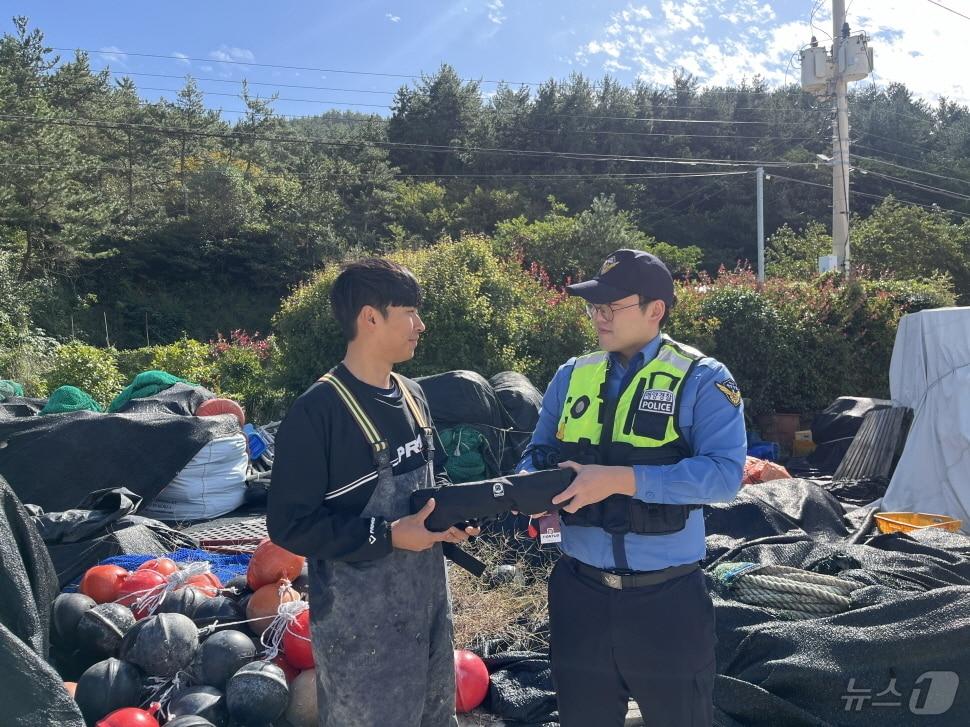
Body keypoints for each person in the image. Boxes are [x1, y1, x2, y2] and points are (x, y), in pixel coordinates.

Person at [518, 249, 746, 727]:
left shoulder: (703, 378)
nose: (598, 317)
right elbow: (536, 453)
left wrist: (621, 480)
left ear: (655, 309)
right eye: (593, 307)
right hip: (579, 592)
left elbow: (725, 475)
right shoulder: (570, 375)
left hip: (667, 601)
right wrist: (533, 494)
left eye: (611, 307)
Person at [267, 258, 477, 727]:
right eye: (410, 312)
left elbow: (433, 476)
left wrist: (452, 511)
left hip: (427, 611)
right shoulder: (319, 412)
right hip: (360, 632)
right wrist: (388, 535)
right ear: (370, 317)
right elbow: (288, 524)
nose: (420, 325)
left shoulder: (412, 394)